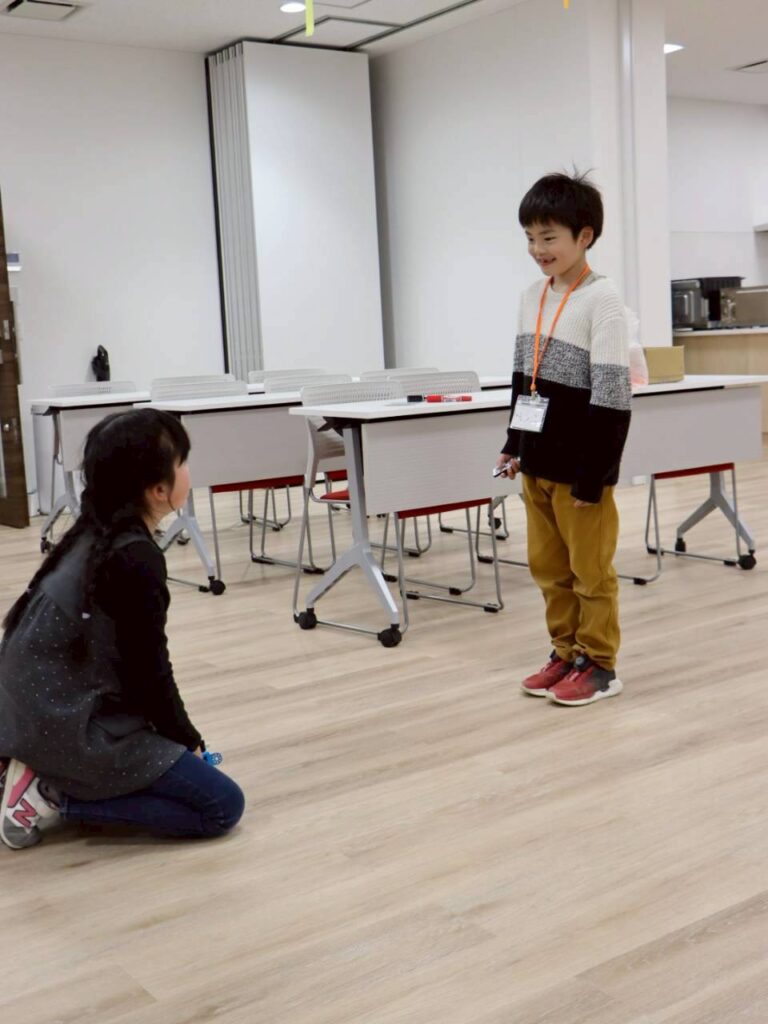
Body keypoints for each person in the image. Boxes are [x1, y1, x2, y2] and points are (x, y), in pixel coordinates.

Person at [0, 408, 244, 849]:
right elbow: (149, 672)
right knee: (221, 805)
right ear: (158, 490)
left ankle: (35, 771)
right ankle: (51, 793)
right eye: (182, 462)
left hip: (31, 707)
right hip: (61, 719)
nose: (189, 471)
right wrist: (188, 741)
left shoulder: (98, 529)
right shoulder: (134, 557)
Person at [495, 172, 631, 707]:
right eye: (530, 237)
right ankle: (566, 652)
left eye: (549, 237)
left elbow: (613, 396)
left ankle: (600, 666)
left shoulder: (604, 300)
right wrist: (513, 443)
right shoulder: (531, 296)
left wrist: (594, 476)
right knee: (549, 571)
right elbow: (522, 380)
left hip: (580, 472)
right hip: (537, 463)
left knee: (590, 574)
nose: (537, 249)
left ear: (585, 235)